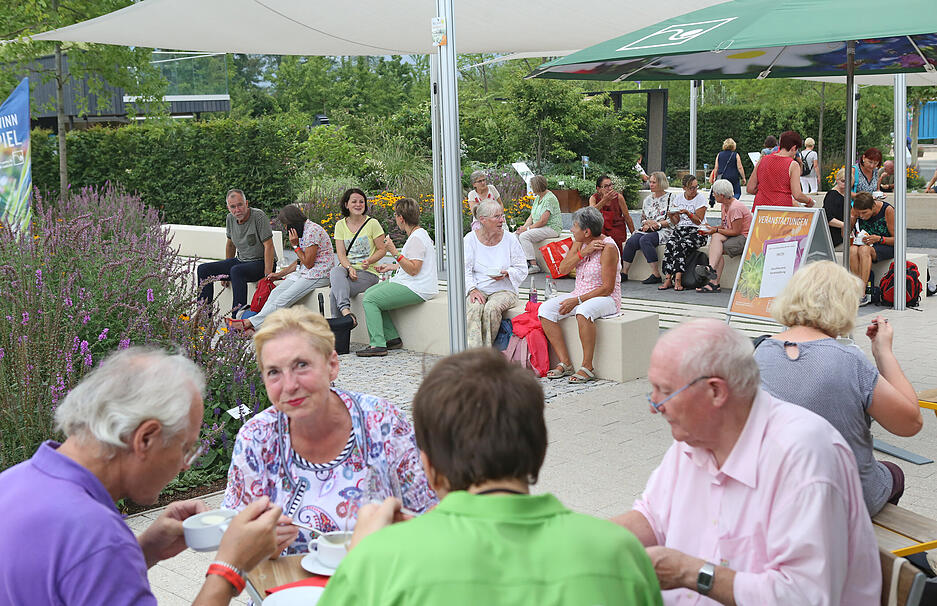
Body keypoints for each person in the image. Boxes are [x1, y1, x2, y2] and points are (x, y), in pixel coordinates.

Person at [317, 348, 663, 606]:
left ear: (429, 466)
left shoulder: (382, 559)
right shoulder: (620, 554)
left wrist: (359, 556)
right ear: (539, 449)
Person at [614, 319, 881, 605]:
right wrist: (579, 542)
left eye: (665, 391)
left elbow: (804, 596)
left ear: (716, 391)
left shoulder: (802, 455)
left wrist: (689, 572)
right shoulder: (695, 439)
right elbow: (651, 518)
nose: (654, 406)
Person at [0, 347, 282, 605]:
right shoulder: (99, 540)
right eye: (184, 448)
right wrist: (230, 567)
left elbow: (72, 579)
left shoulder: (13, 482)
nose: (185, 466)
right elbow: (92, 558)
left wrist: (144, 551)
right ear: (146, 438)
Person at [223, 308, 437, 554]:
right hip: (286, 589)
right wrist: (259, 545)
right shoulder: (257, 438)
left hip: (379, 583)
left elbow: (430, 514)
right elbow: (233, 534)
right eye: (274, 372)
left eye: (301, 365)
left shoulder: (382, 422)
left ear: (332, 365)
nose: (289, 386)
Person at [754, 261, 922, 515]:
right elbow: (910, 423)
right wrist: (883, 352)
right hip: (841, 499)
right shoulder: (848, 360)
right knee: (893, 473)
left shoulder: (759, 353)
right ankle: (863, 545)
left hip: (777, 491)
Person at [540, 206, 621, 384]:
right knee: (545, 309)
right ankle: (566, 363)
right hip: (580, 293)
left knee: (583, 311)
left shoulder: (608, 248)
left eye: (574, 226)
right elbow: (562, 269)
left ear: (587, 231)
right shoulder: (579, 242)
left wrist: (576, 300)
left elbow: (607, 288)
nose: (571, 230)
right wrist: (583, 252)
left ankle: (587, 366)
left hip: (607, 298)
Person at [227, 205, 335, 333]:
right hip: (306, 272)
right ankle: (257, 328)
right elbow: (300, 261)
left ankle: (248, 323)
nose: (285, 228)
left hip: (319, 274)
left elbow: (308, 263)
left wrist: (295, 246)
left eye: (286, 224)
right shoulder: (303, 230)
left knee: (283, 299)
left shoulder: (312, 231)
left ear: (292, 222)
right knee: (275, 293)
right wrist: (279, 274)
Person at [356, 198, 438, 357]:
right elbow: (416, 263)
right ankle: (392, 338)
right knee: (371, 293)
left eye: (395, 215)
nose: (395, 218)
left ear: (401, 218)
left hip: (417, 287)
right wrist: (392, 266)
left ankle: (378, 344)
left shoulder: (416, 238)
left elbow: (414, 269)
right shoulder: (419, 234)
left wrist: (394, 252)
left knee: (370, 300)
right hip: (414, 283)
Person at [197, 189, 277, 314]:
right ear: (228, 207)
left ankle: (237, 322)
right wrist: (224, 273)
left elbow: (269, 246)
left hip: (262, 263)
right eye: (233, 206)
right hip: (242, 261)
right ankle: (203, 319)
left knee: (236, 271)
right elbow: (230, 245)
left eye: (240, 205)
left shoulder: (258, 216)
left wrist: (267, 276)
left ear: (246, 203)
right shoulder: (230, 218)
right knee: (203, 270)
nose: (237, 210)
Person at [463, 199, 528, 348]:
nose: (501, 220)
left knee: (491, 309)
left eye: (502, 216)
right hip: (479, 288)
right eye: (497, 217)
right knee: (474, 308)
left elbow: (522, 268)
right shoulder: (470, 240)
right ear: (483, 220)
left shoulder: (510, 239)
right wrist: (472, 289)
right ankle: (473, 356)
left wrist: (508, 273)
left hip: (505, 290)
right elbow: (464, 269)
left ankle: (484, 356)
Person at [328, 188, 387, 326]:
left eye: (362, 202)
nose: (358, 204)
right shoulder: (340, 225)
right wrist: (349, 268)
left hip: (367, 272)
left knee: (333, 294)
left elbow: (382, 249)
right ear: (346, 204)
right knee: (335, 271)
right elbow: (341, 254)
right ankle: (346, 314)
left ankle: (339, 336)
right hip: (346, 270)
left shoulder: (373, 223)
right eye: (354, 201)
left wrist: (369, 260)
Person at [695, 179, 752, 293]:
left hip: (744, 237)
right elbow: (724, 226)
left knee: (717, 248)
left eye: (714, 193)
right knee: (716, 238)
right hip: (735, 235)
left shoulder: (735, 208)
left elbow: (736, 231)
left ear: (721, 195)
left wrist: (715, 230)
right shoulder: (724, 205)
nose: (713, 195)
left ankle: (713, 280)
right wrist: (712, 228)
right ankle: (711, 273)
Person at [621, 171, 674, 284]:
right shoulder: (647, 199)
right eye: (650, 182)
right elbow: (643, 218)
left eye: (654, 182)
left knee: (645, 240)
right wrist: (647, 223)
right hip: (649, 228)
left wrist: (657, 224)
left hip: (664, 229)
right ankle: (624, 272)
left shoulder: (671, 198)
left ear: (661, 183)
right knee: (632, 241)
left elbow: (672, 220)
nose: (651, 184)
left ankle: (656, 274)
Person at [658, 175, 706, 292]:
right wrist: (672, 216)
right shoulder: (679, 198)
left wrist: (688, 213)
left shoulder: (700, 198)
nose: (694, 190)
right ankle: (668, 278)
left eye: (696, 187)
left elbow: (699, 220)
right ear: (684, 188)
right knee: (670, 244)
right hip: (681, 229)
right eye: (691, 188)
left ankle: (678, 279)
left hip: (697, 231)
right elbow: (676, 223)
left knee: (681, 245)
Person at [748, 130, 814, 210]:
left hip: (760, 209)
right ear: (793, 148)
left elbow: (750, 188)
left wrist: (766, 191)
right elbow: (797, 195)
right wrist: (809, 201)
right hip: (781, 209)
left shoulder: (762, 160)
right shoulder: (793, 165)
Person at [850, 191, 895, 304]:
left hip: (886, 244)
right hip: (867, 245)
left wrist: (879, 239)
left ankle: (863, 292)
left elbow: (898, 239)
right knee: (852, 249)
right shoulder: (857, 211)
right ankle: (857, 286)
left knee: (864, 249)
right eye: (859, 213)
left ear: (873, 206)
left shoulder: (887, 210)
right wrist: (852, 218)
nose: (861, 216)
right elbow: (844, 235)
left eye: (864, 213)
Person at [516, 175, 562, 275]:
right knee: (516, 234)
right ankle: (521, 262)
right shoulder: (538, 198)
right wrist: (523, 227)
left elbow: (543, 221)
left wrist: (527, 229)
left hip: (551, 228)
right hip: (541, 227)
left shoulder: (549, 198)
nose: (531, 189)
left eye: (532, 186)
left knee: (524, 236)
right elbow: (531, 216)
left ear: (536, 187)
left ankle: (534, 265)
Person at [589, 174, 636, 268]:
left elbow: (627, 217)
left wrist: (634, 234)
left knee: (615, 243)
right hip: (601, 228)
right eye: (606, 186)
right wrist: (603, 201)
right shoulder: (594, 198)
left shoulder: (618, 197)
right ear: (598, 189)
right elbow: (591, 213)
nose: (609, 188)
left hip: (616, 228)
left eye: (611, 185)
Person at [823, 167, 848, 250]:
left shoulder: (845, 194)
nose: (846, 184)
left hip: (842, 236)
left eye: (848, 182)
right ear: (837, 180)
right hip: (834, 238)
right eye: (843, 181)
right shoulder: (832, 195)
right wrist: (845, 225)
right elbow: (827, 218)